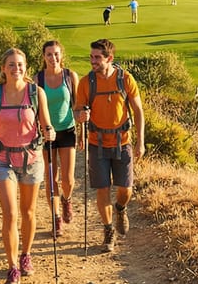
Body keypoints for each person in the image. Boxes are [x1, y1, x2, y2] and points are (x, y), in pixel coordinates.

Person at [0, 47, 54, 284]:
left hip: (31, 160)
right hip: (2, 160)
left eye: (20, 64)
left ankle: (26, 254)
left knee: (28, 213)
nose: (16, 69)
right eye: (11, 64)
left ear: (26, 67)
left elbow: (46, 125)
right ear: (3, 68)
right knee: (10, 214)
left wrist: (50, 132)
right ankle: (12, 266)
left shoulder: (36, 93)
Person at [73, 39, 146, 254]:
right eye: (91, 57)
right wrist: (80, 116)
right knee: (102, 189)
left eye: (97, 57)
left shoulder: (125, 79)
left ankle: (120, 209)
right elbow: (77, 111)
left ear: (109, 58)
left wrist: (140, 142)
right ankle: (108, 231)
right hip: (97, 143)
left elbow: (138, 111)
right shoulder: (86, 82)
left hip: (123, 142)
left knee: (126, 189)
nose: (92, 61)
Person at [37, 41, 78, 238]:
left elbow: (77, 105)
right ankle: (56, 218)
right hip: (46, 133)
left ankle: (67, 199)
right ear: (44, 57)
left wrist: (84, 117)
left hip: (67, 130)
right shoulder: (38, 79)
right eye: (49, 55)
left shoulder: (70, 76)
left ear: (61, 55)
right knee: (50, 178)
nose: (53, 58)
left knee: (68, 180)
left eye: (56, 54)